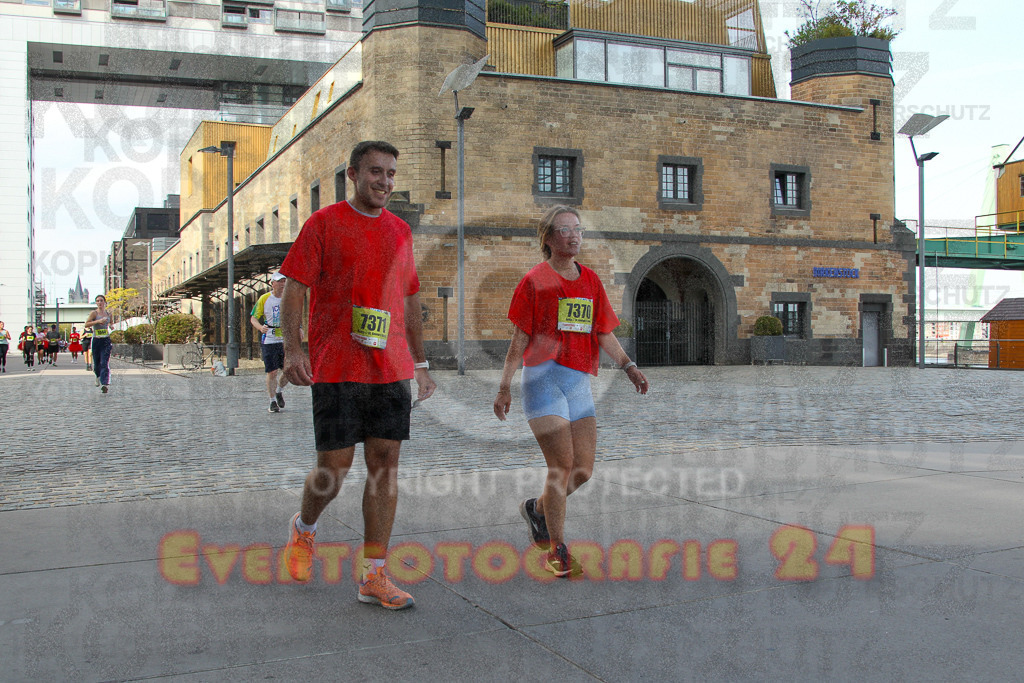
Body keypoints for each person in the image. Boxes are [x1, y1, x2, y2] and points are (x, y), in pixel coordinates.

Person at [280, 140, 436, 610]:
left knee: (385, 465)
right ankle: (304, 529)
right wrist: (292, 350)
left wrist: (422, 363)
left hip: (389, 367)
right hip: (336, 364)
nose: (384, 182)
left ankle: (374, 574)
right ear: (352, 174)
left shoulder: (400, 233)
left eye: (390, 174)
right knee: (335, 468)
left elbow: (409, 301)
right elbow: (294, 288)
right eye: (375, 172)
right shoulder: (323, 224)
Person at [493, 205, 650, 577]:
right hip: (542, 380)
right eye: (565, 230)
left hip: (578, 382)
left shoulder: (591, 280)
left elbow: (602, 332)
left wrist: (628, 366)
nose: (574, 236)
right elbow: (520, 338)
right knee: (561, 467)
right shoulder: (534, 281)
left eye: (578, 229)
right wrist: (504, 387)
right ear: (548, 238)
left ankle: (537, 508)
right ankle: (556, 550)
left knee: (583, 470)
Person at [250, 272, 292, 413]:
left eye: (285, 281)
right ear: (272, 283)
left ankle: (279, 391)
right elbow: (253, 318)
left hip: (286, 339)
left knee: (288, 370)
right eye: (279, 281)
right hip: (270, 340)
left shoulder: (289, 298)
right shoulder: (264, 298)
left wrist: (298, 328)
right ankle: (272, 401)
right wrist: (260, 327)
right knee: (272, 372)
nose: (283, 284)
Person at [84, 295, 113, 393]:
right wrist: (98, 321)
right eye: (97, 301)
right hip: (96, 340)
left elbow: (110, 323)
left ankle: (105, 383)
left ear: (104, 302)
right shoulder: (94, 313)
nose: (99, 302)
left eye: (101, 300)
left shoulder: (109, 314)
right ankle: (97, 376)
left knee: (104, 362)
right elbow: (86, 324)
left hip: (106, 340)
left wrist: (112, 327)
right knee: (97, 363)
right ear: (96, 303)